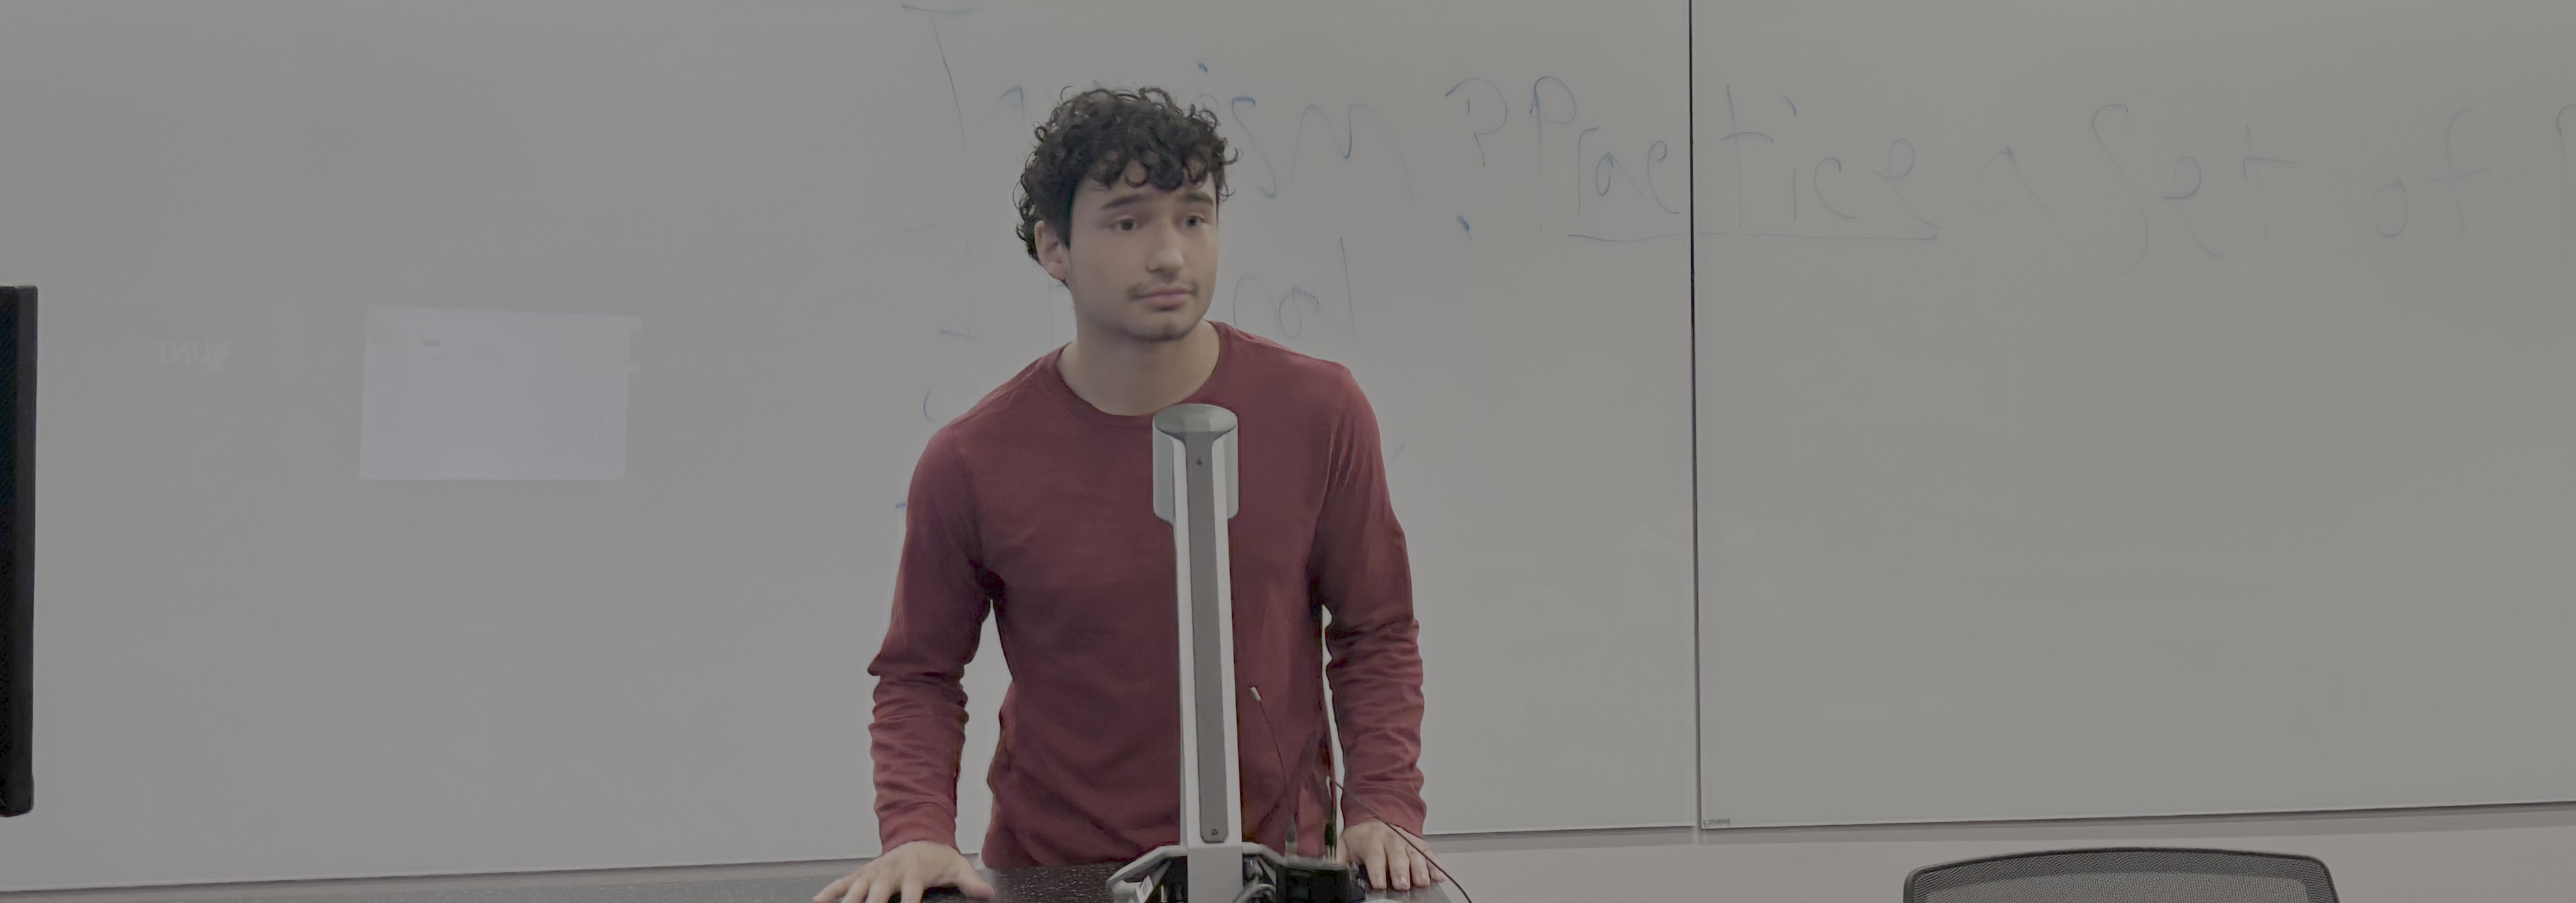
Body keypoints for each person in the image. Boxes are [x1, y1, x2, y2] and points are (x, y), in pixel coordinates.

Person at [818, 87, 1444, 903]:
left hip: (1274, 870)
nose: (1170, 256)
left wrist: (1383, 805)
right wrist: (918, 831)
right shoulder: (972, 460)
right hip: (1059, 874)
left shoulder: (1319, 412)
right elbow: (918, 675)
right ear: (1053, 247)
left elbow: (1374, 631)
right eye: (1126, 222)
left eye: (1193, 217)